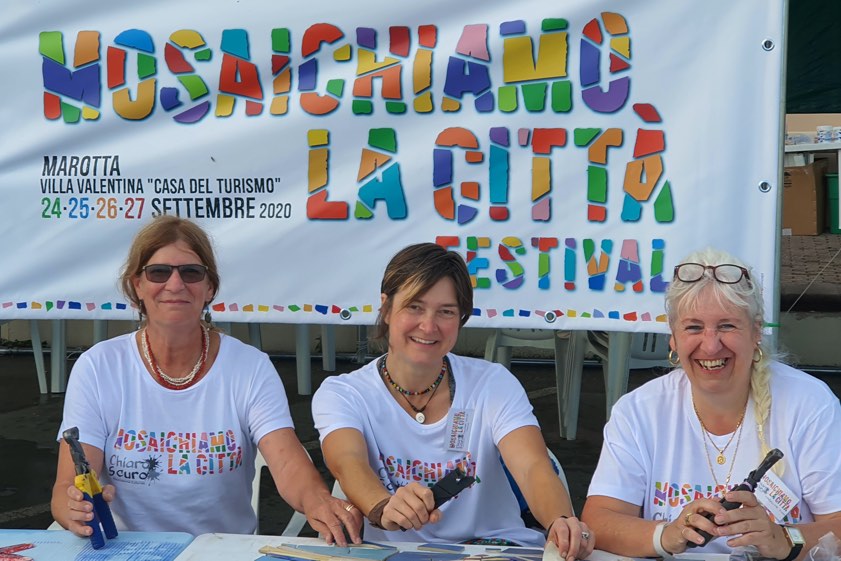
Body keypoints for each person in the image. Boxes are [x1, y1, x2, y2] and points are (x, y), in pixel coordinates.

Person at [51, 215, 362, 542]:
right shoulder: (98, 367)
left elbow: (287, 461)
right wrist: (73, 509)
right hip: (127, 550)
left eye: (191, 272)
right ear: (137, 285)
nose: (175, 285)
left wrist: (318, 501)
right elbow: (67, 485)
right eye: (158, 272)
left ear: (210, 287)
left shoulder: (250, 367)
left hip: (222, 549)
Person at [311, 242, 593, 557]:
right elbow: (348, 462)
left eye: (446, 311)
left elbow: (532, 466)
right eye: (414, 307)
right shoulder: (344, 393)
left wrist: (561, 521)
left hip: (497, 549)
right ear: (386, 308)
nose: (428, 326)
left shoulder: (492, 383)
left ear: (461, 319)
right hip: (397, 553)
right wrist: (382, 506)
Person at [581, 247, 841, 559]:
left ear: (756, 331)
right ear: (673, 337)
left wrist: (783, 538)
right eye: (693, 327)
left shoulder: (809, 404)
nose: (710, 345)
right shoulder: (639, 411)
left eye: (727, 325)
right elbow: (598, 521)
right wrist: (666, 534)